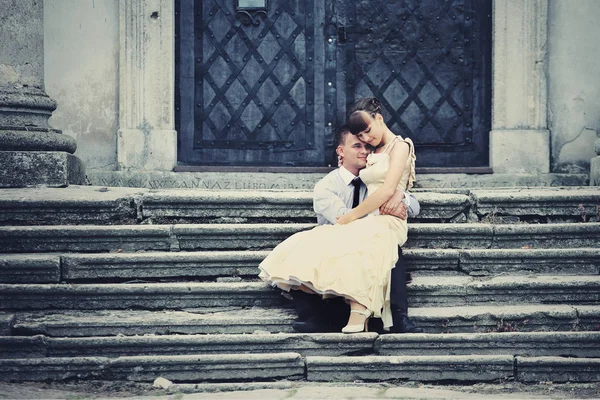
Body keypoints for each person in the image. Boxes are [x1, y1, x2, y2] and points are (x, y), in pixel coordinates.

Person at [259, 97, 418, 333]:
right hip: (342, 242)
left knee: (387, 244)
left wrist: (400, 197)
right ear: (340, 151)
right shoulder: (327, 187)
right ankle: (317, 316)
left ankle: (398, 315)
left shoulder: (375, 168)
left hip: (373, 234)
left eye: (366, 143)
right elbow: (342, 219)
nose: (365, 147)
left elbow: (403, 196)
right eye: (358, 144)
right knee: (309, 245)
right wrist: (356, 216)